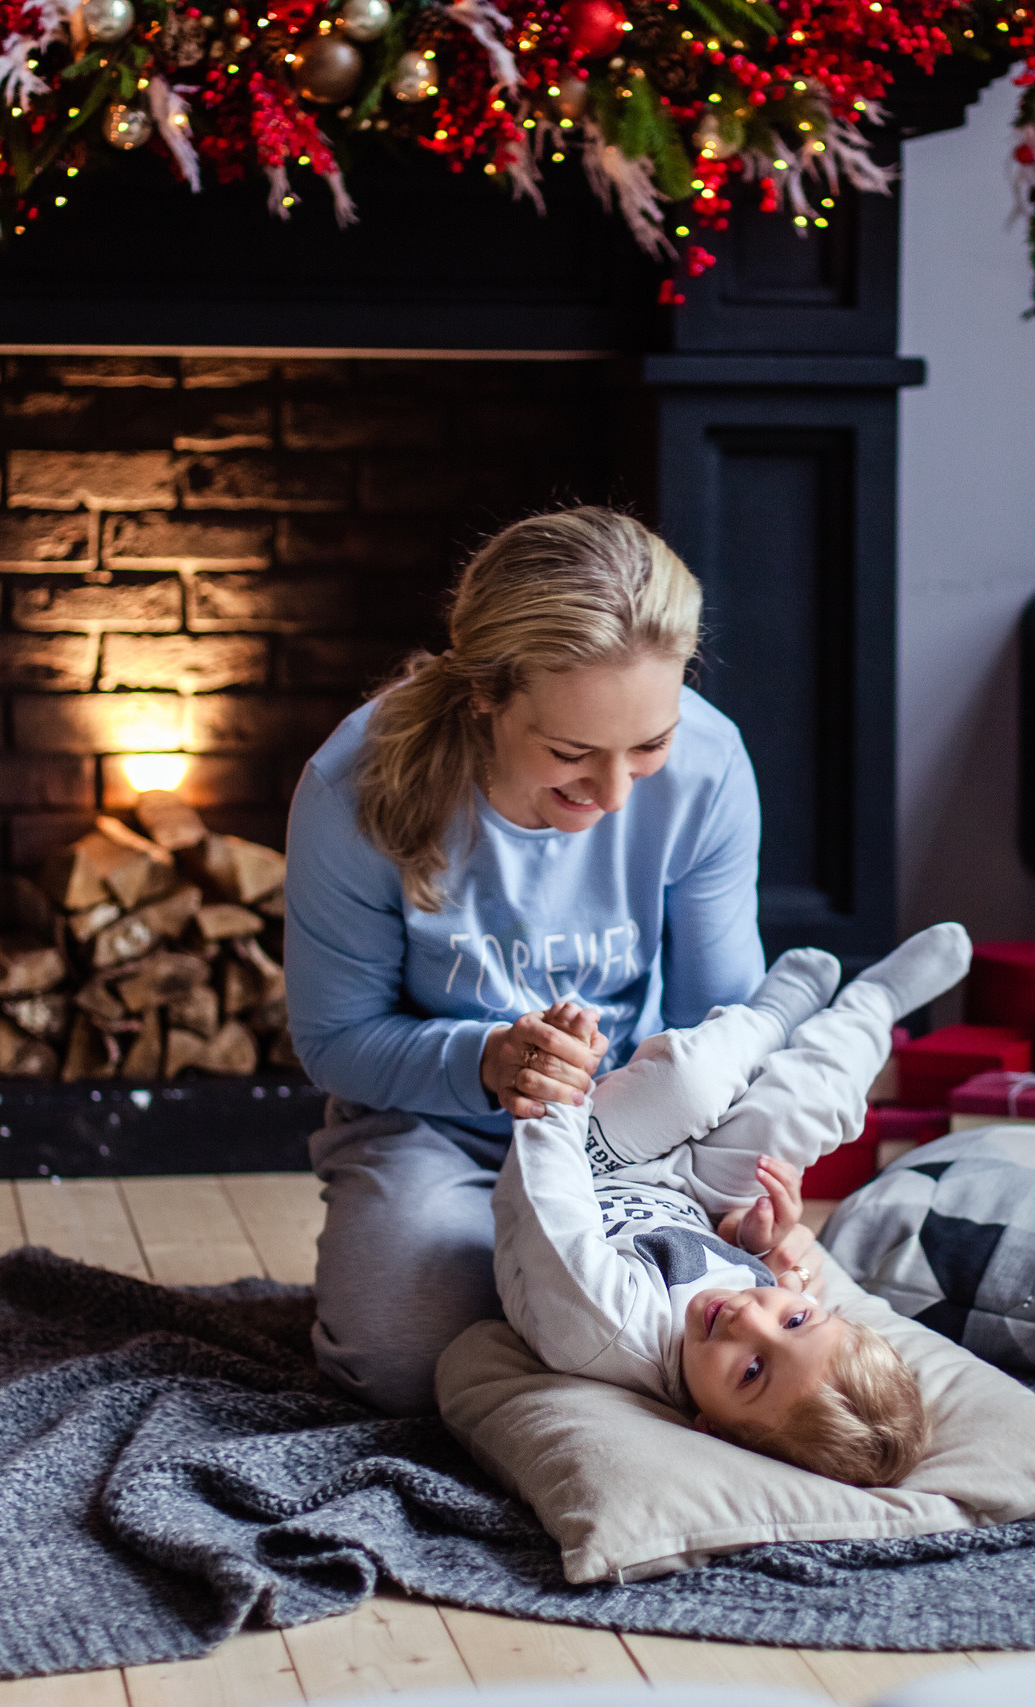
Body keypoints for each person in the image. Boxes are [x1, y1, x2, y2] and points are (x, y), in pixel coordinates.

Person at [283, 508, 764, 1414]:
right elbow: (335, 1036)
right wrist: (486, 1061)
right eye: (571, 753)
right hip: (432, 1126)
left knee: (730, 1331)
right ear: (485, 696)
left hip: (635, 1136)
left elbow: (724, 1015)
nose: (616, 794)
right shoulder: (354, 786)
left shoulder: (712, 768)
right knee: (395, 1355)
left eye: (649, 746)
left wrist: (737, 1174)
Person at [491, 924, 970, 1484]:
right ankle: (873, 1003)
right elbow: (731, 1262)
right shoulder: (737, 1315)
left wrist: (556, 1087)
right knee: (810, 1110)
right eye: (795, 1320)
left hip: (586, 1167)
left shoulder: (611, 1325)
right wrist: (753, 1241)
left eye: (751, 1372)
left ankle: (773, 1014)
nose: (750, 1318)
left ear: (712, 1432)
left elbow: (551, 1207)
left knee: (689, 1081)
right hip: (687, 1193)